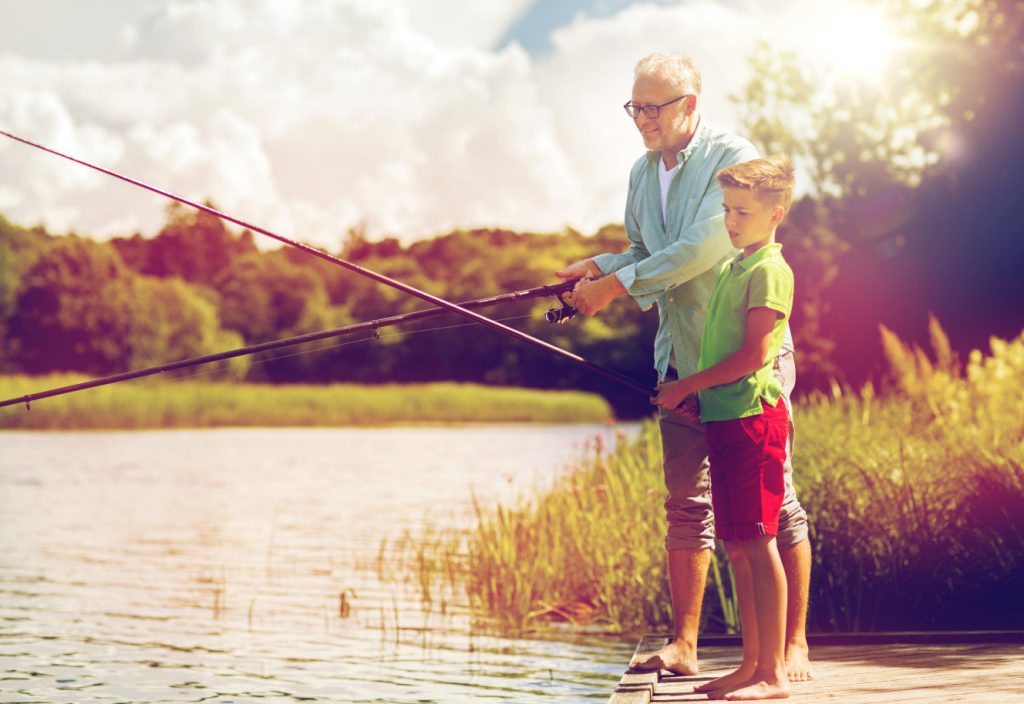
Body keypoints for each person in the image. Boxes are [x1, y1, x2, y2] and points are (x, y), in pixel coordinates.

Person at [555, 53, 813, 682]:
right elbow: (646, 251)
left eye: (654, 107)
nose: (641, 119)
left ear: (690, 105)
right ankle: (685, 645)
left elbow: (703, 248)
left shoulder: (731, 156)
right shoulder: (643, 174)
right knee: (685, 505)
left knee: (776, 505)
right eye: (634, 107)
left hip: (743, 364)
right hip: (679, 361)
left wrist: (617, 288)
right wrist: (600, 265)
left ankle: (793, 646)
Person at [654, 155, 796, 700]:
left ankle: (774, 674)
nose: (731, 221)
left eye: (742, 211)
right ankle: (751, 664)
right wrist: (702, 399)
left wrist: (688, 385)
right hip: (726, 418)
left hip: (756, 424)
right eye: (726, 209)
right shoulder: (737, 266)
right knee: (737, 544)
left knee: (759, 544)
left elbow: (756, 356)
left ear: (775, 214)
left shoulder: (769, 270)